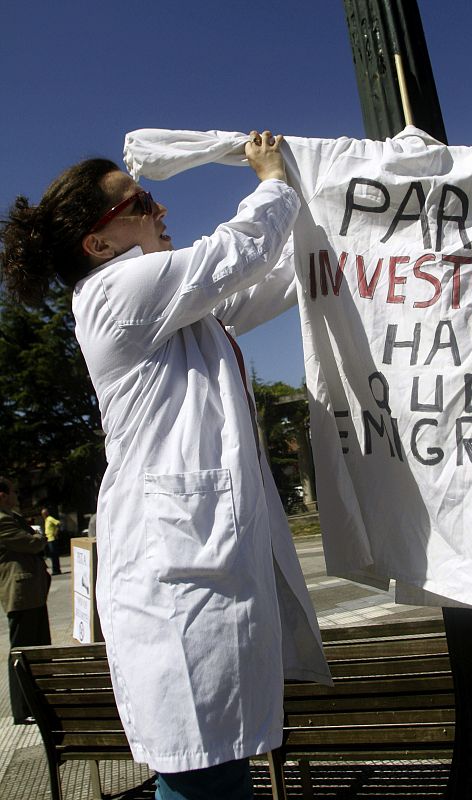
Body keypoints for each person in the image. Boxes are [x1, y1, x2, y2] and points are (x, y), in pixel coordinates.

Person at [0, 130, 330, 800]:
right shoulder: (114, 291)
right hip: (175, 569)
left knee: (216, 764)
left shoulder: (170, 308)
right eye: (142, 203)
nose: (161, 212)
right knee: (201, 772)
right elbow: (237, 253)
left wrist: (334, 244)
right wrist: (271, 179)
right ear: (98, 243)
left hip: (199, 561)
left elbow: (258, 286)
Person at [0, 478, 51, 724]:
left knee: (38, 646)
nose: (17, 495)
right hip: (20, 594)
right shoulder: (2, 520)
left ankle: (39, 701)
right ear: (2, 495)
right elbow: (33, 542)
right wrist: (38, 539)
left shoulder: (11, 516)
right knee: (22, 650)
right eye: (14, 491)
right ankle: (23, 709)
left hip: (31, 592)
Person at [41, 507, 62, 575]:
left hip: (52, 539)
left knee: (54, 555)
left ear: (46, 513)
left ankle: (56, 570)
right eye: (42, 514)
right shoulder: (46, 520)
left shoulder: (50, 518)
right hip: (49, 539)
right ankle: (55, 570)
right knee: (52, 555)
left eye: (44, 513)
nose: (43, 515)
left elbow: (58, 523)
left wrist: (56, 532)